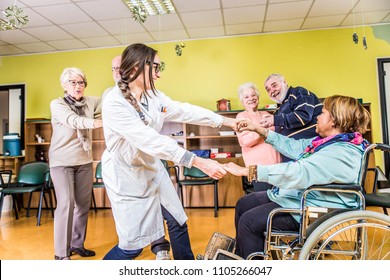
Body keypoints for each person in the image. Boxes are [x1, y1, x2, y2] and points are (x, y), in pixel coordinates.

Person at [101, 43, 238, 260]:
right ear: (137, 66)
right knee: (133, 246)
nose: (159, 75)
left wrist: (227, 122)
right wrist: (197, 161)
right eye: (156, 67)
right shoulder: (114, 102)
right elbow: (149, 140)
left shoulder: (153, 97)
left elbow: (185, 111)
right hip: (126, 175)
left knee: (177, 220)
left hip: (151, 167)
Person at [224, 95, 370, 259]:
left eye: (322, 113)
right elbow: (293, 146)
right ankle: (240, 258)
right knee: (244, 203)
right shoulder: (330, 143)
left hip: (316, 209)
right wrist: (260, 130)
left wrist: (248, 171)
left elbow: (297, 172)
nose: (317, 117)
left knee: (249, 222)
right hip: (304, 199)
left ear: (334, 120)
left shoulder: (341, 151)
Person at [103, 54, 173, 260]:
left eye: (120, 67)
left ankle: (160, 248)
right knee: (131, 245)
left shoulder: (148, 95)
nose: (118, 72)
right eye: (114, 68)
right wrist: (190, 159)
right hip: (124, 173)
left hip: (144, 165)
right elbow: (141, 137)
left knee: (152, 222)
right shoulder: (113, 98)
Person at [49, 67, 103, 260]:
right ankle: (61, 254)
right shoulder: (57, 104)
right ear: (64, 85)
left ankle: (77, 244)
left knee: (82, 204)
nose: (78, 86)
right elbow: (74, 121)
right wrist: (97, 123)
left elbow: (110, 99)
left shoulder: (91, 102)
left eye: (81, 82)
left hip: (84, 160)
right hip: (61, 161)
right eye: (73, 82)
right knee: (66, 203)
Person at [260, 74, 323, 162]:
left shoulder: (298, 92)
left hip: (309, 152)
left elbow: (303, 116)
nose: (272, 91)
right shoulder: (278, 109)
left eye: (274, 85)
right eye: (268, 90)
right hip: (292, 156)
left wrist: (274, 119)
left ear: (284, 82)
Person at [236, 82, 281, 192]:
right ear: (242, 101)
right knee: (263, 200)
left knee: (277, 201)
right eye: (246, 97)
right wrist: (263, 129)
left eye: (253, 95)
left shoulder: (266, 114)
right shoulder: (241, 117)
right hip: (258, 169)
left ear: (258, 97)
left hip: (276, 167)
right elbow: (246, 141)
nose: (251, 99)